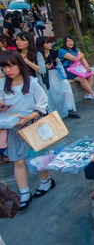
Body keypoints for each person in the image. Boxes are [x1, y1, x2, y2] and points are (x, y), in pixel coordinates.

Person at [0, 50, 55, 210]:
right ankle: (24, 192)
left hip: (34, 126)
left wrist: (30, 116)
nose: (8, 70)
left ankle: (45, 182)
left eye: (12, 66)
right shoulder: (3, 85)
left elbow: (42, 104)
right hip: (14, 128)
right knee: (18, 160)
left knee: (39, 157)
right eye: (5, 67)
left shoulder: (32, 82)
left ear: (19, 65)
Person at [35, 36, 79, 119]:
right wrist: (45, 67)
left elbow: (57, 64)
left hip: (55, 74)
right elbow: (39, 68)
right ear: (42, 44)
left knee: (65, 84)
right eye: (47, 43)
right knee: (50, 89)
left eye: (50, 42)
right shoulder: (38, 54)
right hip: (45, 76)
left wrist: (57, 62)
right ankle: (51, 111)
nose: (50, 44)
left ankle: (69, 108)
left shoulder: (53, 52)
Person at [58, 35, 94, 101]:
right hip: (67, 70)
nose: (70, 43)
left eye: (72, 41)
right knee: (82, 79)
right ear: (64, 42)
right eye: (68, 41)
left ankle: (88, 94)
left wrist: (87, 68)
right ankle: (93, 94)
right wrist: (81, 55)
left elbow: (82, 57)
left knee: (91, 74)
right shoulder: (62, 51)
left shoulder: (75, 49)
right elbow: (74, 59)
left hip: (77, 68)